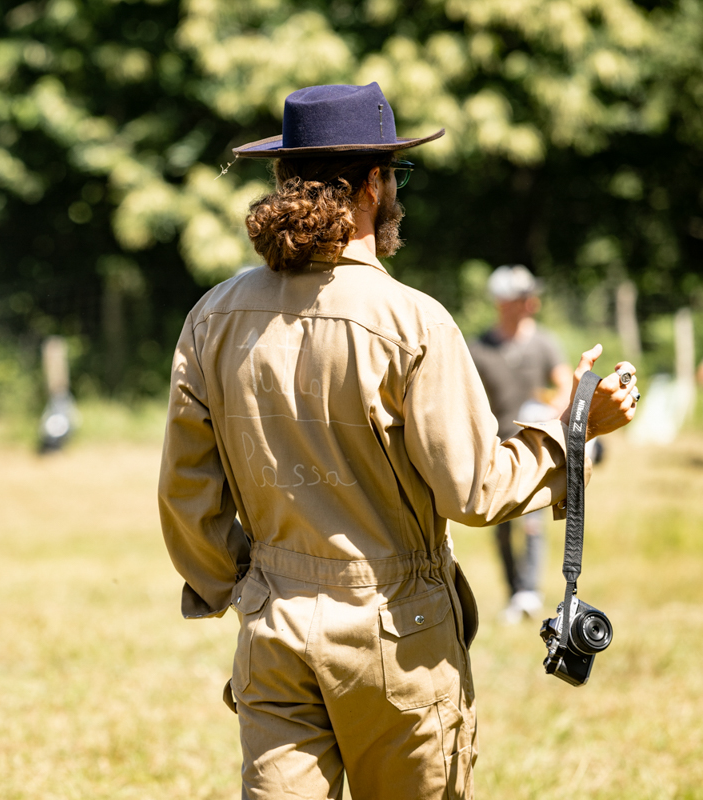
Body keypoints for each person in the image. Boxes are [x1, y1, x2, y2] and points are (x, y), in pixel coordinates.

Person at [157, 83, 640, 799]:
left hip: (273, 631)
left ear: (285, 181)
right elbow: (474, 490)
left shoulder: (213, 317)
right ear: (375, 185)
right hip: (400, 634)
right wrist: (574, 428)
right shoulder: (414, 322)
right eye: (397, 177)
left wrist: (252, 588)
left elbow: (185, 497)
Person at [467, 265, 572, 622]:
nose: (531, 302)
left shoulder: (544, 342)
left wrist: (550, 410)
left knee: (533, 520)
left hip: (533, 450)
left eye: (531, 295)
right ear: (503, 302)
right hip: (495, 450)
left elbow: (565, 385)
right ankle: (513, 591)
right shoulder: (479, 350)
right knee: (497, 524)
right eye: (522, 297)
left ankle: (528, 591)